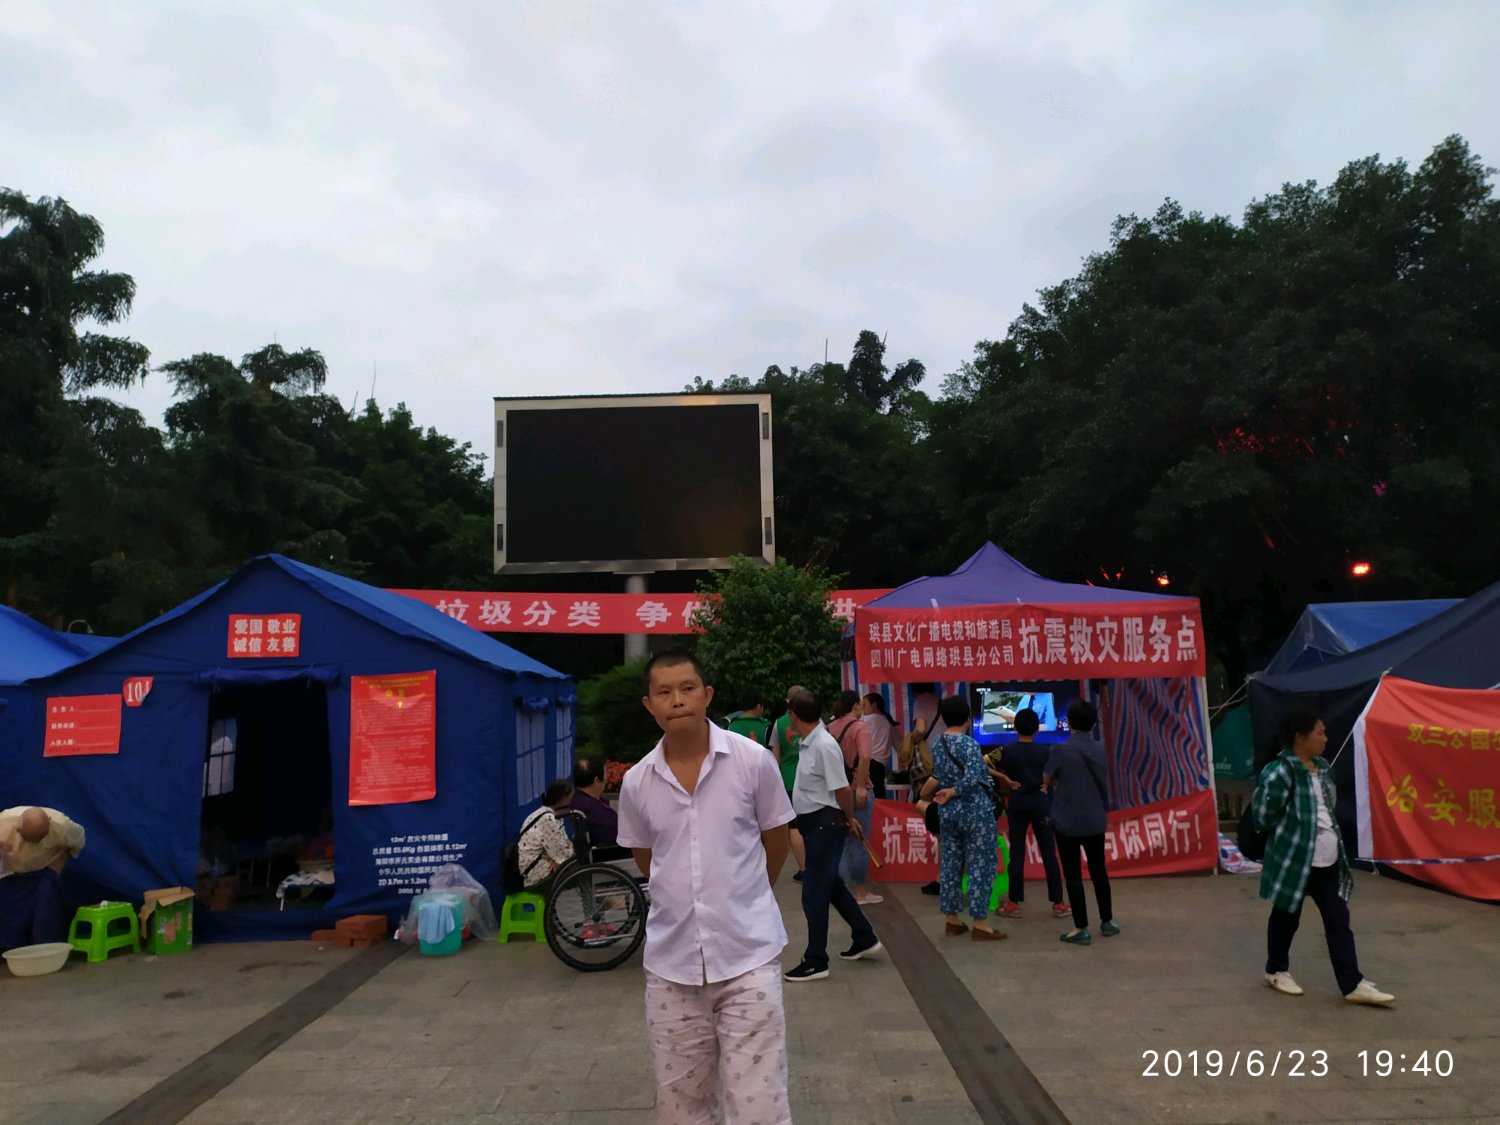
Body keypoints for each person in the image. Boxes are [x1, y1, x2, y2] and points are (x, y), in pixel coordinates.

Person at [617, 650, 795, 1124]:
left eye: (687, 688)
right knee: (681, 1106)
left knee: (758, 1106)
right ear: (649, 704)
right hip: (671, 967)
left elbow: (775, 840)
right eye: (664, 692)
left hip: (748, 957)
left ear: (707, 695)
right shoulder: (637, 782)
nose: (677, 700)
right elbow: (648, 859)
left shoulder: (752, 763)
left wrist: (746, 896)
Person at [1255, 707, 1394, 1005]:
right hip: (1295, 860)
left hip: (1328, 860)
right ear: (1300, 737)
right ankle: (1276, 970)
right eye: (1319, 733)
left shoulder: (1323, 768)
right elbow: (1263, 816)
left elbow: (1328, 808)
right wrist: (1294, 830)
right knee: (1286, 916)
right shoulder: (1280, 772)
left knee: (1337, 918)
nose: (1325, 738)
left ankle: (1352, 984)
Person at [783, 690, 882, 981]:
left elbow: (841, 789)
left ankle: (816, 959)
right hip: (817, 824)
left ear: (793, 715)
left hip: (825, 825)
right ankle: (864, 937)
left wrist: (849, 819)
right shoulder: (810, 742)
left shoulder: (823, 745)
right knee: (833, 886)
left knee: (814, 892)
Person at [923, 696, 1005, 941]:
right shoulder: (969, 744)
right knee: (980, 864)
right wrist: (955, 790)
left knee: (950, 864)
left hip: (948, 812)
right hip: (975, 812)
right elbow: (973, 777)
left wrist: (948, 792)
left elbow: (939, 774)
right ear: (967, 718)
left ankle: (952, 920)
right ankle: (980, 923)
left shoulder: (938, 743)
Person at [1045, 699, 1118, 945]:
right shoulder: (1100, 748)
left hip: (1067, 821)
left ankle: (1081, 928)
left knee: (1073, 875)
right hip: (1095, 819)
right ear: (1093, 724)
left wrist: (1059, 782)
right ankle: (1107, 921)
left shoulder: (1059, 749)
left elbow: (1047, 776)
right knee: (1099, 871)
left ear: (1069, 723)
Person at [995, 709, 1069, 920]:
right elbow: (1059, 775)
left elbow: (983, 763)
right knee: (1049, 852)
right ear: (1037, 728)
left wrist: (1005, 779)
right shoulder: (1046, 751)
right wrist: (1048, 783)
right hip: (1041, 805)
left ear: (1015, 727)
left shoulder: (1006, 750)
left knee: (1017, 852)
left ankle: (1013, 903)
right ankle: (1058, 903)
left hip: (1017, 805)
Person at [0, 805, 85, 953]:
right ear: (18, 829)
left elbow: (75, 844)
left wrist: (55, 871)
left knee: (46, 904)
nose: (33, 844)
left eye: (39, 838)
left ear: (49, 824)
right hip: (12, 871)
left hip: (45, 869)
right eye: (28, 839)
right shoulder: (4, 823)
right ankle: (10, 949)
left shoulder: (63, 826)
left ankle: (45, 948)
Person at [827, 690, 881, 906]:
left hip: (836, 791)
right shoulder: (860, 727)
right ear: (855, 705)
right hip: (857, 790)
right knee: (859, 840)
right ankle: (860, 891)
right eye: (860, 704)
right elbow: (865, 756)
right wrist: (860, 786)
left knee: (840, 842)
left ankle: (842, 892)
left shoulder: (830, 727)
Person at [769, 685, 810, 880]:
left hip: (788, 780)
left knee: (794, 827)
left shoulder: (778, 724)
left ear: (788, 701)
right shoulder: (813, 721)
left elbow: (775, 758)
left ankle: (804, 868)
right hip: (811, 780)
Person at [517, 780, 578, 897]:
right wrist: (561, 856)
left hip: (541, 867)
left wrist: (560, 857)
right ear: (563, 799)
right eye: (571, 797)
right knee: (583, 868)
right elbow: (564, 856)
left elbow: (563, 848)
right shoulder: (547, 819)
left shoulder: (552, 814)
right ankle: (595, 903)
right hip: (535, 876)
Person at [570, 757, 631, 860]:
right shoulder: (591, 808)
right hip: (612, 854)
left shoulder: (577, 800)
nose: (606, 778)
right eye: (605, 774)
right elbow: (617, 831)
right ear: (597, 780)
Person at [861, 692, 897, 799]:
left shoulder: (864, 721)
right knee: (878, 796)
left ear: (874, 705)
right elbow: (900, 745)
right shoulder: (889, 723)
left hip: (867, 763)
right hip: (880, 765)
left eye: (864, 705)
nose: (862, 709)